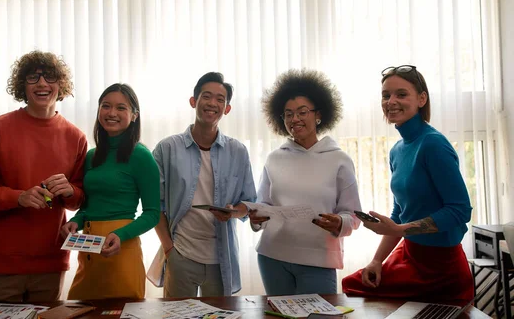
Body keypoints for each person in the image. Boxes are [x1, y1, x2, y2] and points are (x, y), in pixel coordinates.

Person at [0, 51, 87, 303]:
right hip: (3, 264)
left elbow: (78, 202)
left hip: (51, 262)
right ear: (22, 85)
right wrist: (19, 197)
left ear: (60, 85)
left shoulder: (76, 137)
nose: (42, 83)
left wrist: (71, 191)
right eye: (33, 77)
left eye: (49, 77)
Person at [342, 65, 473, 305]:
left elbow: (460, 210)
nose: (391, 101)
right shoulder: (397, 151)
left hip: (442, 268)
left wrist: (400, 230)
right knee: (353, 284)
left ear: (422, 99)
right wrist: (377, 261)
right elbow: (399, 215)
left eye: (401, 94)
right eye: (386, 95)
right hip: (409, 256)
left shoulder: (433, 145)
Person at [249, 68, 362, 295]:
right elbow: (263, 205)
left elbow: (354, 215)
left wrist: (340, 223)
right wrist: (257, 217)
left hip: (318, 260)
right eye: (288, 114)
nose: (295, 119)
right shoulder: (274, 158)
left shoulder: (339, 159)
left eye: (302, 112)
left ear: (318, 115)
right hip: (273, 257)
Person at [153, 72, 257, 297]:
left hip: (222, 258)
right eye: (206, 97)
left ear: (227, 108)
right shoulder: (167, 148)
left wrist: (233, 212)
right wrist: (170, 250)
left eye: (220, 99)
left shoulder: (237, 151)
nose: (213, 104)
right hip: (181, 253)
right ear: (194, 101)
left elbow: (249, 203)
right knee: (176, 315)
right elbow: (154, 205)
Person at [61, 83, 160, 300]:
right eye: (106, 106)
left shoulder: (141, 156)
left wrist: (120, 235)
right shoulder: (92, 156)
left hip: (121, 247)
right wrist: (76, 220)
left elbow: (153, 213)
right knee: (79, 310)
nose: (112, 113)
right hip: (88, 249)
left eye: (121, 108)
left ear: (134, 115)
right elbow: (88, 205)